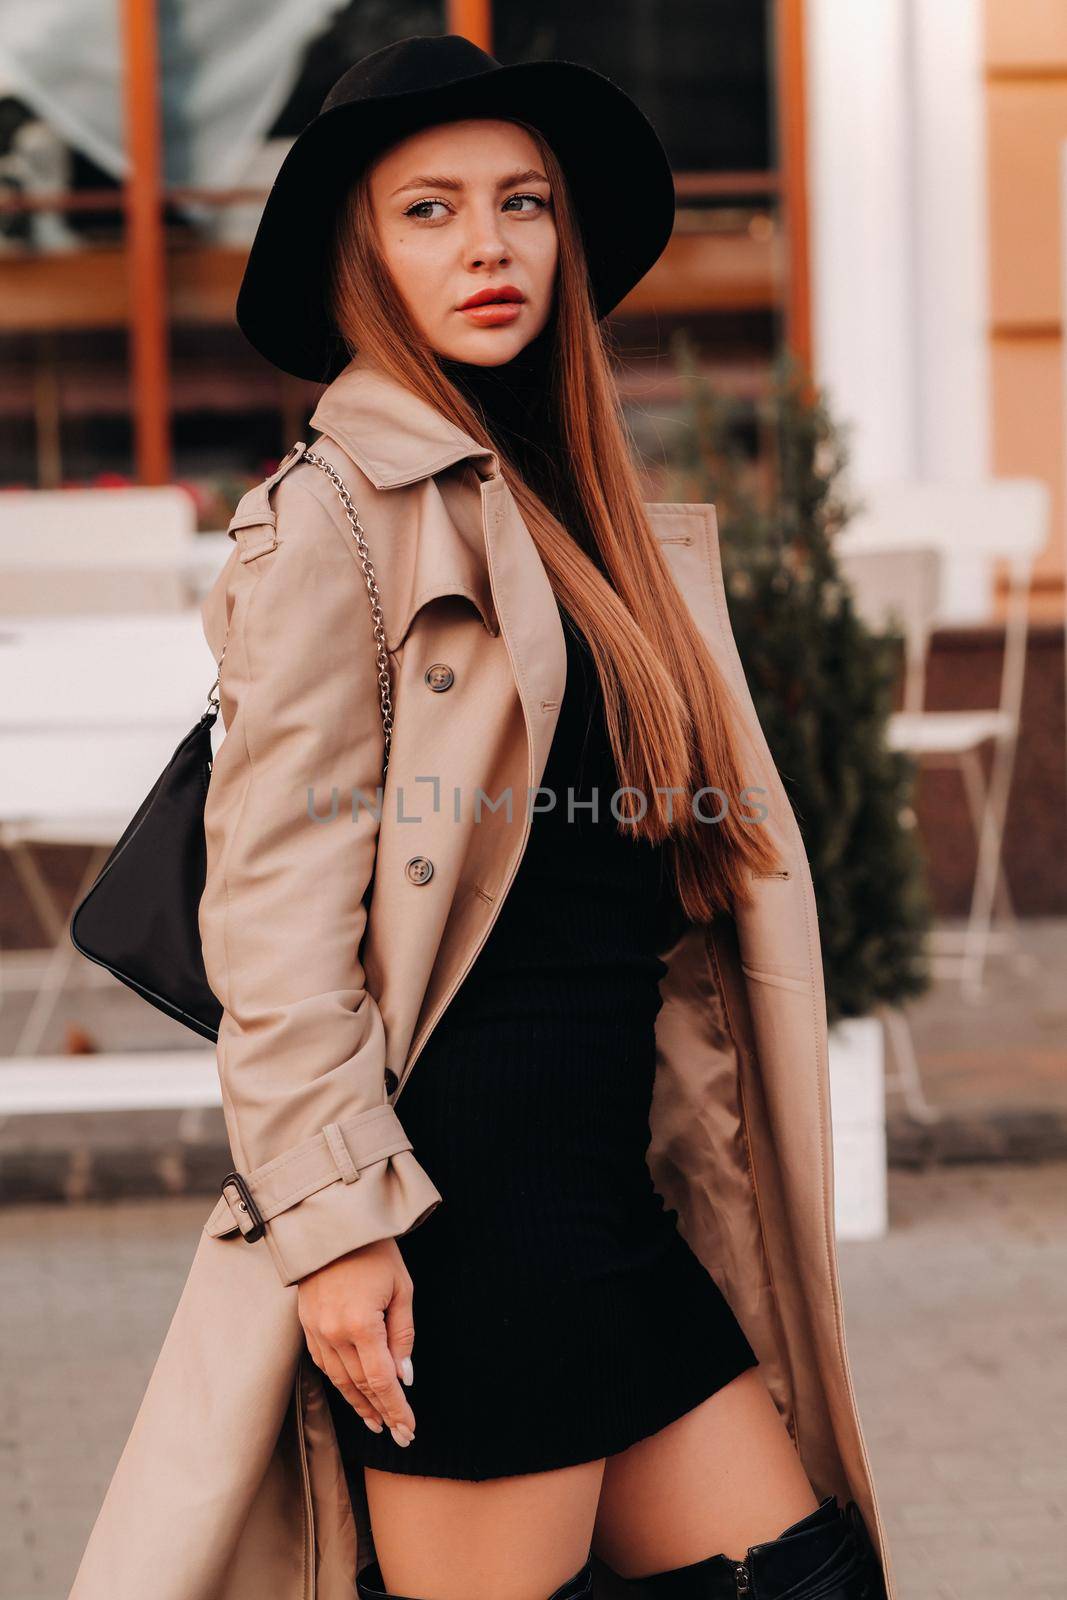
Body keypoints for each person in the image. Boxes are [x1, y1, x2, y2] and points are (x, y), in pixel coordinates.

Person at [85, 33, 892, 1600]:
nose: (489, 246)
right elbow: (276, 918)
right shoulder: (334, 518)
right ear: (362, 252)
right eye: (430, 210)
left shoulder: (563, 497)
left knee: (808, 1580)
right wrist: (334, 1230)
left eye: (520, 204)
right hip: (462, 1226)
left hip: (602, 1197)